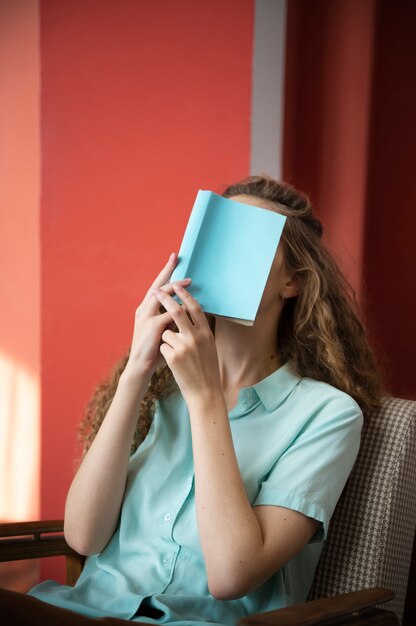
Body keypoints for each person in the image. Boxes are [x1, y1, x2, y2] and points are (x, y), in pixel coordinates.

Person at [1, 176, 382, 625]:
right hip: (83, 610)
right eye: (214, 234)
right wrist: (136, 372)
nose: (223, 252)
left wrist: (205, 400)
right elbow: (83, 537)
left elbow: (230, 576)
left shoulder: (326, 415)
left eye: (246, 238)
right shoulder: (161, 389)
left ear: (292, 282)